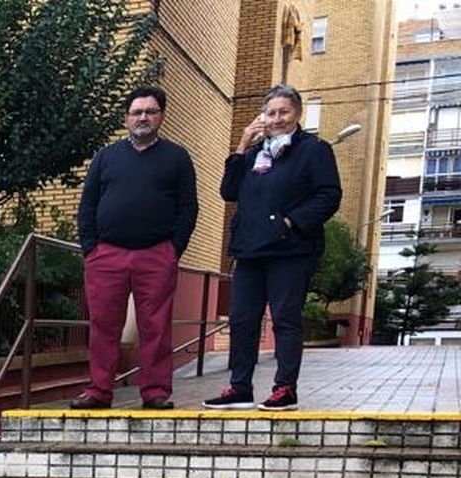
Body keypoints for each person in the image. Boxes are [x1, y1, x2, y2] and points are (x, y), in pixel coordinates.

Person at [207, 83, 342, 410]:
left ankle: (285, 389)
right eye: (271, 112)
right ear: (262, 116)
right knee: (242, 320)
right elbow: (228, 191)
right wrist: (241, 145)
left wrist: (290, 222)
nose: (277, 118)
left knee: (285, 318)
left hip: (290, 249)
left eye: (284, 112)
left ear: (297, 114)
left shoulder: (314, 149)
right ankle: (239, 388)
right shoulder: (254, 153)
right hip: (249, 250)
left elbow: (329, 196)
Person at [74, 86, 199, 410]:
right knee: (103, 325)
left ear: (161, 116)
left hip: (157, 254)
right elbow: (87, 205)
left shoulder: (177, 157)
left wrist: (174, 250)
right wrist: (91, 248)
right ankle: (99, 391)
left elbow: (189, 207)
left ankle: (155, 392)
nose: (143, 117)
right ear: (126, 118)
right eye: (137, 112)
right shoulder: (106, 157)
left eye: (150, 111)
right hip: (107, 255)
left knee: (155, 326)